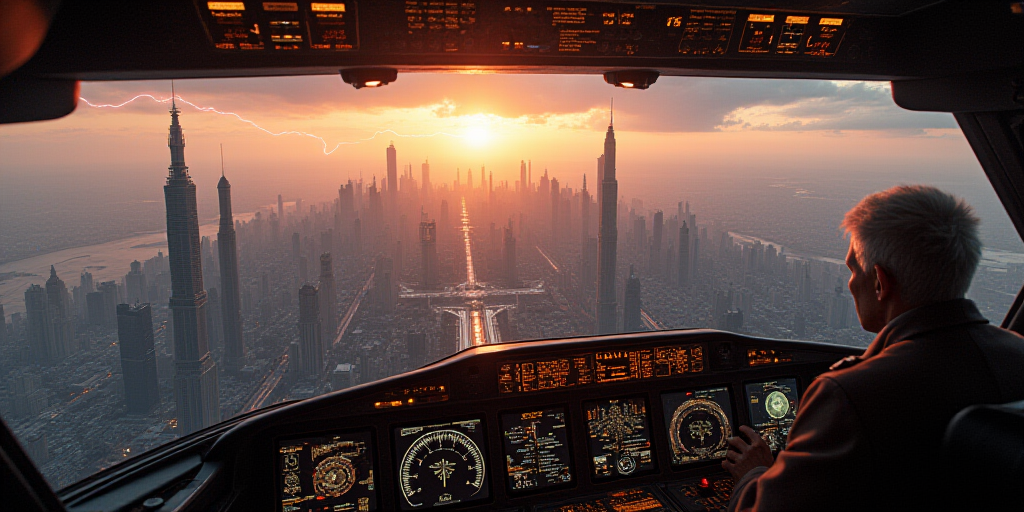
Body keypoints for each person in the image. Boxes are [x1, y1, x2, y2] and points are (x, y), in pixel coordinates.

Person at [724, 185, 1024, 512]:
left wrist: (754, 473)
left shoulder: (850, 396)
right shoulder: (1018, 354)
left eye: (853, 269)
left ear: (880, 282)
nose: (851, 283)